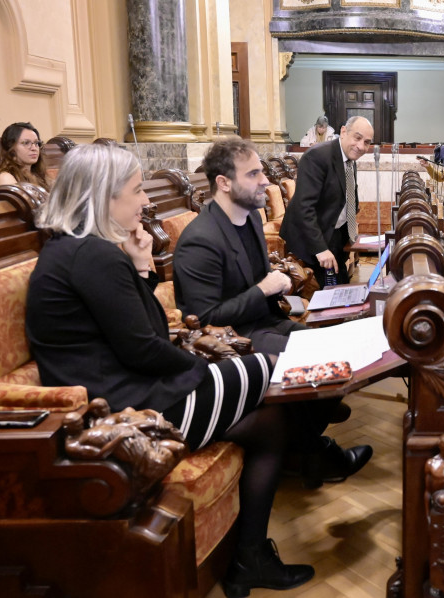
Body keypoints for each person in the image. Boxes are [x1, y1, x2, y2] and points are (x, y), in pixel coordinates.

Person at [24, 144, 315, 595]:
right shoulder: (92, 256)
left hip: (130, 390)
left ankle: (250, 558)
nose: (145, 202)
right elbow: (147, 346)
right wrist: (199, 365)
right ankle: (255, 553)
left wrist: (141, 268)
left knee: (270, 421)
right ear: (103, 197)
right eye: (137, 190)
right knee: (277, 365)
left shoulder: (81, 249)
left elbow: (147, 336)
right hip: (127, 408)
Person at [173, 138, 372, 485]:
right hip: (236, 340)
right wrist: (263, 288)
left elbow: (261, 278)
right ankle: (313, 454)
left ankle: (302, 450)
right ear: (224, 183)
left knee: (340, 357)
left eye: (262, 170)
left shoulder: (248, 218)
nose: (265, 180)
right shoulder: (199, 240)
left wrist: (276, 287)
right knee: (323, 370)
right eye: (253, 174)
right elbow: (205, 319)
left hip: (268, 322)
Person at [280, 115, 374, 287]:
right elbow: (304, 208)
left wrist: (353, 237)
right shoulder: (316, 156)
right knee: (328, 295)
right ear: (343, 132)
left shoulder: (349, 159)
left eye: (367, 142)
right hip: (311, 238)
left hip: (335, 233)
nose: (361, 146)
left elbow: (346, 199)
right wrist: (321, 249)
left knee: (343, 287)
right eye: (357, 138)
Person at [0, 121, 50, 190]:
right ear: (10, 147)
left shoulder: (40, 175)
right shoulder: (5, 177)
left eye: (36, 143)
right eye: (26, 143)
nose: (34, 148)